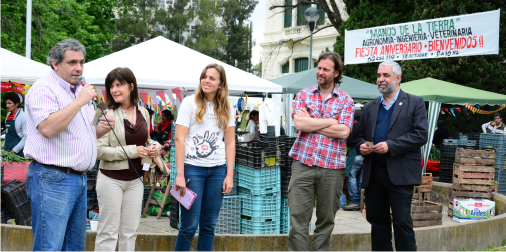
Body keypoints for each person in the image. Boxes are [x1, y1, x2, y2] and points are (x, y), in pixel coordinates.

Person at [24, 38, 116, 251]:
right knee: (50, 247)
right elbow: (47, 128)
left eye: (82, 62)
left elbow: (80, 133)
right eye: (72, 62)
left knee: (74, 247)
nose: (79, 68)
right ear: (55, 64)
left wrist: (102, 129)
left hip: (79, 179)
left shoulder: (77, 90)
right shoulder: (43, 88)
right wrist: (79, 102)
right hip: (52, 179)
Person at [354, 61, 428, 251]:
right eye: (379, 76)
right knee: (377, 222)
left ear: (398, 78)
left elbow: (420, 135)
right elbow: (358, 135)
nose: (381, 80)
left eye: (386, 76)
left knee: (402, 223)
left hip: (400, 175)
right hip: (374, 174)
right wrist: (360, 146)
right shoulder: (370, 107)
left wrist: (391, 145)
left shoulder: (415, 102)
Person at [288, 52, 354, 251]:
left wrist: (312, 123)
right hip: (303, 163)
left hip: (332, 167)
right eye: (319, 68)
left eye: (326, 69)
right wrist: (330, 122)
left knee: (326, 221)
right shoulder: (304, 94)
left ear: (336, 73)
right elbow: (299, 123)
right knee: (297, 220)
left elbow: (343, 132)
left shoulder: (345, 100)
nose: (320, 72)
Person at [94, 67, 161, 251]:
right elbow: (97, 150)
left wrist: (155, 146)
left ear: (131, 86)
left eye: (119, 85)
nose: (114, 90)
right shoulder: (105, 112)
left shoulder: (144, 112)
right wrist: (132, 151)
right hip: (111, 180)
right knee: (108, 232)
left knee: (130, 232)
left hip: (137, 180)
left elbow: (145, 140)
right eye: (111, 86)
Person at [174, 63, 235, 251]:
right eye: (205, 77)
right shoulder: (189, 103)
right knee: (189, 225)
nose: (206, 81)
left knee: (209, 226)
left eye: (212, 78)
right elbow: (179, 139)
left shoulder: (227, 107)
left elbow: (230, 143)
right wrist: (180, 174)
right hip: (193, 169)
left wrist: (229, 175)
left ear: (221, 84)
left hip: (218, 170)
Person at [343, 110, 363, 211]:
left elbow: (350, 142)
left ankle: (355, 201)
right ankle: (362, 201)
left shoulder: (355, 126)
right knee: (361, 178)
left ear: (354, 119)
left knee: (351, 176)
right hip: (367, 155)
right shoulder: (369, 125)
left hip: (356, 153)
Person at [2, 92, 27, 157]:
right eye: (6, 103)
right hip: (7, 150)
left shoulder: (23, 116)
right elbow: (8, 133)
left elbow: (26, 137)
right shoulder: (8, 115)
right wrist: (2, 146)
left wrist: (14, 150)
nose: (7, 106)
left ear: (17, 104)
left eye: (9, 103)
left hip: (18, 152)